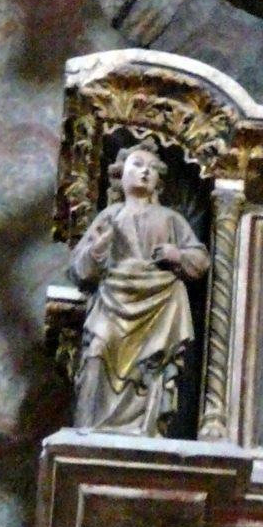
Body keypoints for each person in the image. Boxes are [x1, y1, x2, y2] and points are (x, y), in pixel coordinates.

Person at [70, 139, 209, 435]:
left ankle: (146, 430)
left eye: (151, 169)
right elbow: (80, 269)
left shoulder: (171, 218)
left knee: (151, 367)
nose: (144, 172)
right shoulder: (110, 216)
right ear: (121, 174)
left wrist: (178, 255)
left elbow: (200, 260)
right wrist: (99, 246)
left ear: (159, 180)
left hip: (158, 303)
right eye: (137, 165)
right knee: (97, 353)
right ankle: (89, 427)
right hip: (113, 299)